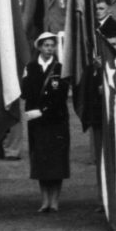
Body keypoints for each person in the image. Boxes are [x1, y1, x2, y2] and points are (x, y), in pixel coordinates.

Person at [21, 31, 71, 212]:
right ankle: (44, 201)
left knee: (56, 161)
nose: (50, 49)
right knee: (41, 161)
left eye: (52, 45)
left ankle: (55, 201)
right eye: (46, 45)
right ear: (39, 47)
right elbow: (26, 92)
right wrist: (34, 111)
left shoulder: (60, 67)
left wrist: (44, 111)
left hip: (56, 120)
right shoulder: (31, 67)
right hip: (37, 122)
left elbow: (62, 94)